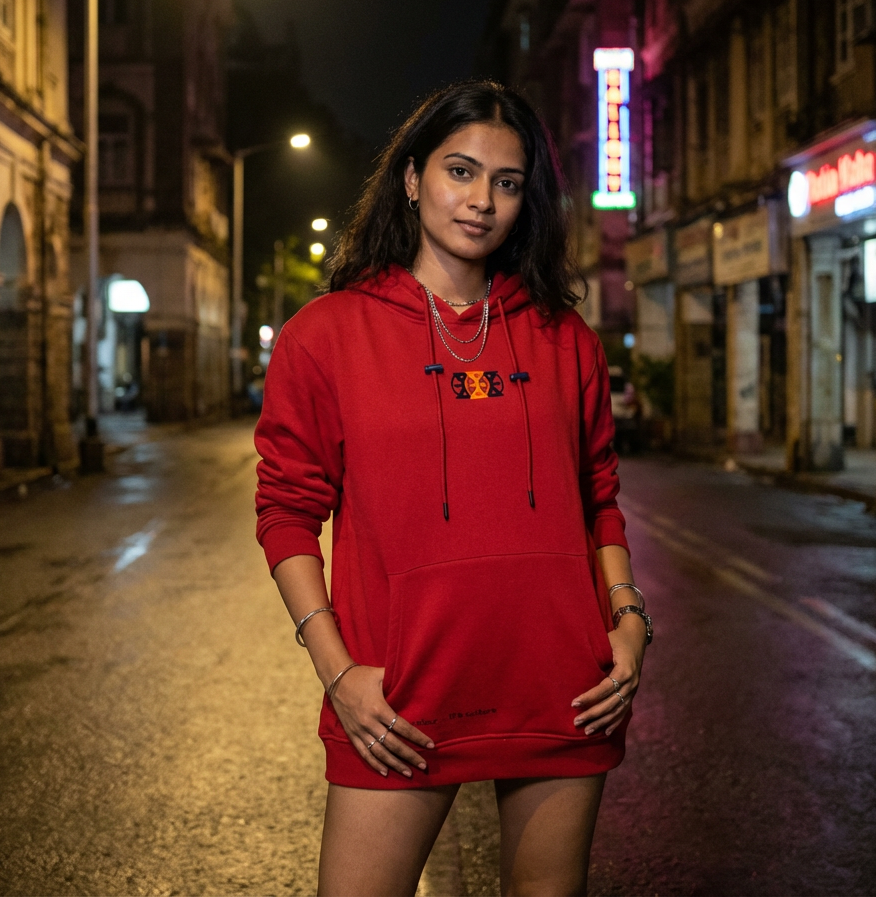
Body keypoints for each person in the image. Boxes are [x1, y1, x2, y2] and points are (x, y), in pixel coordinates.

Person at [254, 80, 652, 897]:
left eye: (507, 183)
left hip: (564, 689)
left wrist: (628, 622)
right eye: (460, 172)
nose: (482, 202)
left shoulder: (566, 338)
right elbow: (287, 513)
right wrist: (337, 671)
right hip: (400, 699)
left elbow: (596, 497)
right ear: (412, 178)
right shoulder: (325, 335)